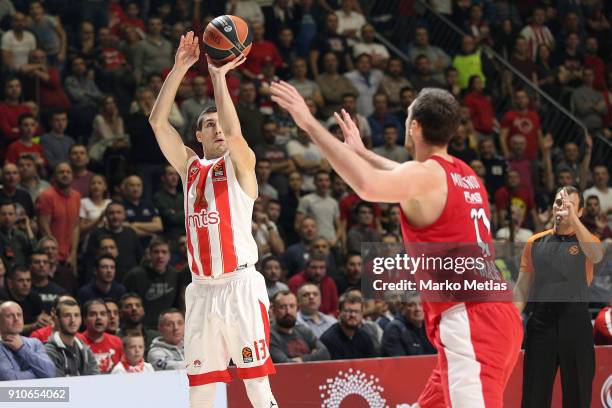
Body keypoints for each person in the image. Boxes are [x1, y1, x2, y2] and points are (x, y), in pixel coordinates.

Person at [271, 82, 523, 407]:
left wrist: (308, 123)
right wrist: (361, 153)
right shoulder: (464, 173)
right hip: (495, 312)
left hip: (472, 320)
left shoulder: (426, 176)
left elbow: (366, 185)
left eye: (406, 117)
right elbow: (401, 172)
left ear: (415, 126)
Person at [149, 32, 277, 408]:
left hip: (240, 285)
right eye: (210, 124)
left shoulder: (241, 166)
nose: (218, 128)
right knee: (200, 391)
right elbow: (158, 123)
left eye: (221, 122)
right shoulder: (189, 166)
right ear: (198, 133)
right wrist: (179, 69)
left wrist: (219, 76)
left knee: (256, 385)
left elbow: (236, 133)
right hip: (202, 291)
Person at [514, 187, 603, 408]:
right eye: (558, 202)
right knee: (534, 395)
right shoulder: (535, 242)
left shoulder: (588, 241)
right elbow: (522, 288)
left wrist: (572, 218)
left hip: (576, 323)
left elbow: (596, 255)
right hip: (541, 324)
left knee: (578, 395)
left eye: (569, 205)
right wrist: (511, 320)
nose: (561, 207)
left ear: (580, 211)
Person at [123, 238, 179, 329]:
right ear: (150, 254)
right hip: (143, 329)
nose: (160, 256)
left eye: (164, 252)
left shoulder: (175, 275)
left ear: (169, 256)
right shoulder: (135, 276)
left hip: (168, 328)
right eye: (156, 252)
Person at [35, 162, 81, 269]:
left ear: (72, 176)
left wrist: (73, 254)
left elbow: (76, 226)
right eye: (61, 172)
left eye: (68, 172)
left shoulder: (77, 196)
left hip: (69, 256)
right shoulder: (46, 196)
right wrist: (53, 256)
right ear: (54, 176)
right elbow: (44, 229)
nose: (65, 174)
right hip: (50, 257)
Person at [269, 290, 330, 363]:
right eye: (282, 307)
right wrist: (313, 356)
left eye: (292, 306)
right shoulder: (269, 336)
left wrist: (302, 359)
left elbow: (325, 354)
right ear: (274, 310)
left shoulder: (304, 330)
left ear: (297, 308)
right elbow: (285, 364)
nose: (288, 311)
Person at [0, 300, 55, 380]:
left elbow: (50, 372)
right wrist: (39, 374)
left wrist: (21, 348)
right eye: (9, 316)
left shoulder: (35, 343)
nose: (16, 319)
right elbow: (9, 379)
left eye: (19, 315)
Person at [44, 299, 100, 376]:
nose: (73, 320)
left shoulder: (85, 349)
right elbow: (58, 384)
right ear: (57, 319)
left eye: (76, 315)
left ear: (81, 319)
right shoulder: (49, 351)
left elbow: (96, 379)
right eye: (67, 315)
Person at [319, 294, 375, 360]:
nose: (353, 315)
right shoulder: (328, 339)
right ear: (339, 313)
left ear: (362, 314)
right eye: (349, 311)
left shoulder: (365, 337)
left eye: (357, 312)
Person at [381, 292, 436, 356]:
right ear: (402, 308)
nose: (418, 309)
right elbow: (399, 363)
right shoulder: (394, 329)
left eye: (421, 304)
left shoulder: (429, 327)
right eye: (411, 305)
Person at [77, 299, 124, 373]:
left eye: (102, 314)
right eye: (93, 314)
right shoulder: (77, 342)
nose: (99, 317)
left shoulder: (117, 342)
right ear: (84, 320)